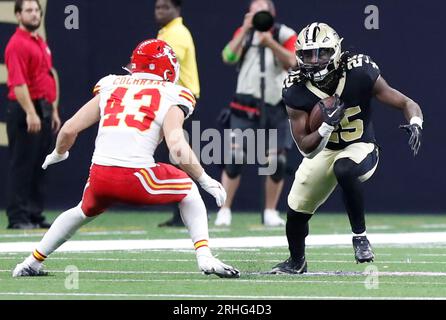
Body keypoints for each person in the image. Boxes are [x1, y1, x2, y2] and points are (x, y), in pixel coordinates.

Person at [12, 39, 240, 279]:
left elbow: (69, 129)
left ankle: (31, 262)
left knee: (82, 211)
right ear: (167, 68)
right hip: (136, 176)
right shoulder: (173, 93)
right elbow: (177, 145)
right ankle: (205, 257)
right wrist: (205, 179)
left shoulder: (111, 84)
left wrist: (59, 153)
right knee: (189, 190)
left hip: (99, 174)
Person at [270, 23, 423, 274]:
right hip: (323, 149)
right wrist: (326, 127)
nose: (315, 60)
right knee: (296, 210)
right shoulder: (295, 87)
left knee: (345, 169)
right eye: (308, 54)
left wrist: (415, 122)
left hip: (359, 145)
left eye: (322, 52)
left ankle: (360, 236)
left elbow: (406, 102)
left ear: (337, 51)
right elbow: (305, 148)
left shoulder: (359, 71)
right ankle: (296, 261)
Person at [215, 0, 297, 227]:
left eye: (262, 11)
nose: (258, 14)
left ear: (272, 14)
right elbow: (228, 57)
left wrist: (270, 43)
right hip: (245, 105)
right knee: (234, 157)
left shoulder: (284, 33)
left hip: (275, 105)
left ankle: (270, 211)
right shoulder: (244, 33)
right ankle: (225, 209)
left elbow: (293, 62)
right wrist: (245, 31)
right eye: (254, 11)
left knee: (276, 161)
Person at [4, 0, 61, 230]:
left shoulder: (39, 42)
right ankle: (17, 217)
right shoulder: (16, 44)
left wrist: (53, 109)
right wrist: (30, 112)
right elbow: (18, 82)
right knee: (23, 165)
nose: (34, 14)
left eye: (37, 10)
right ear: (18, 15)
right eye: (29, 10)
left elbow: (47, 76)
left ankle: (34, 214)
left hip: (44, 109)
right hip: (26, 110)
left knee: (40, 165)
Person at [155, 0, 200, 227]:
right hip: (174, 101)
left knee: (179, 157)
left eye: (165, 7)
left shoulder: (177, 34)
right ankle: (180, 213)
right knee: (174, 159)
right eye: (157, 7)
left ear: (177, 9)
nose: (160, 11)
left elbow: (165, 68)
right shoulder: (167, 32)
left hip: (182, 103)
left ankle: (188, 211)